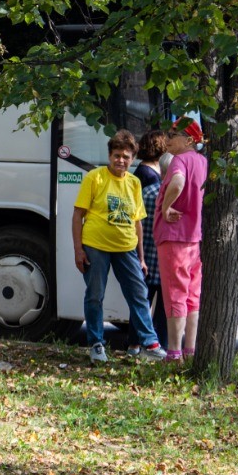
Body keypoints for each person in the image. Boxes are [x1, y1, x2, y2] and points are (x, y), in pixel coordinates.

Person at [72, 129, 167, 363]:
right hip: (95, 245)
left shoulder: (134, 183)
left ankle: (149, 342)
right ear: (109, 155)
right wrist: (78, 249)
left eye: (126, 156)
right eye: (116, 155)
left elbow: (138, 223)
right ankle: (96, 343)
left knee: (139, 294)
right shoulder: (95, 178)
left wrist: (142, 258)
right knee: (95, 294)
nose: (121, 160)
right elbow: (77, 215)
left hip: (126, 248)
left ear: (133, 158)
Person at [154, 118, 207, 362]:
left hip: (174, 236)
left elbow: (177, 182)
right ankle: (190, 350)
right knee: (191, 294)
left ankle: (174, 353)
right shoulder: (202, 161)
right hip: (193, 238)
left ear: (188, 140)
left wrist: (166, 207)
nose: (167, 138)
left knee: (175, 293)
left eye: (173, 135)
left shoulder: (180, 160)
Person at [135, 129, 169, 345]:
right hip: (150, 250)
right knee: (148, 298)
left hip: (145, 248)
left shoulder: (142, 173)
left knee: (143, 298)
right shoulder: (150, 179)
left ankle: (138, 343)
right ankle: (148, 342)